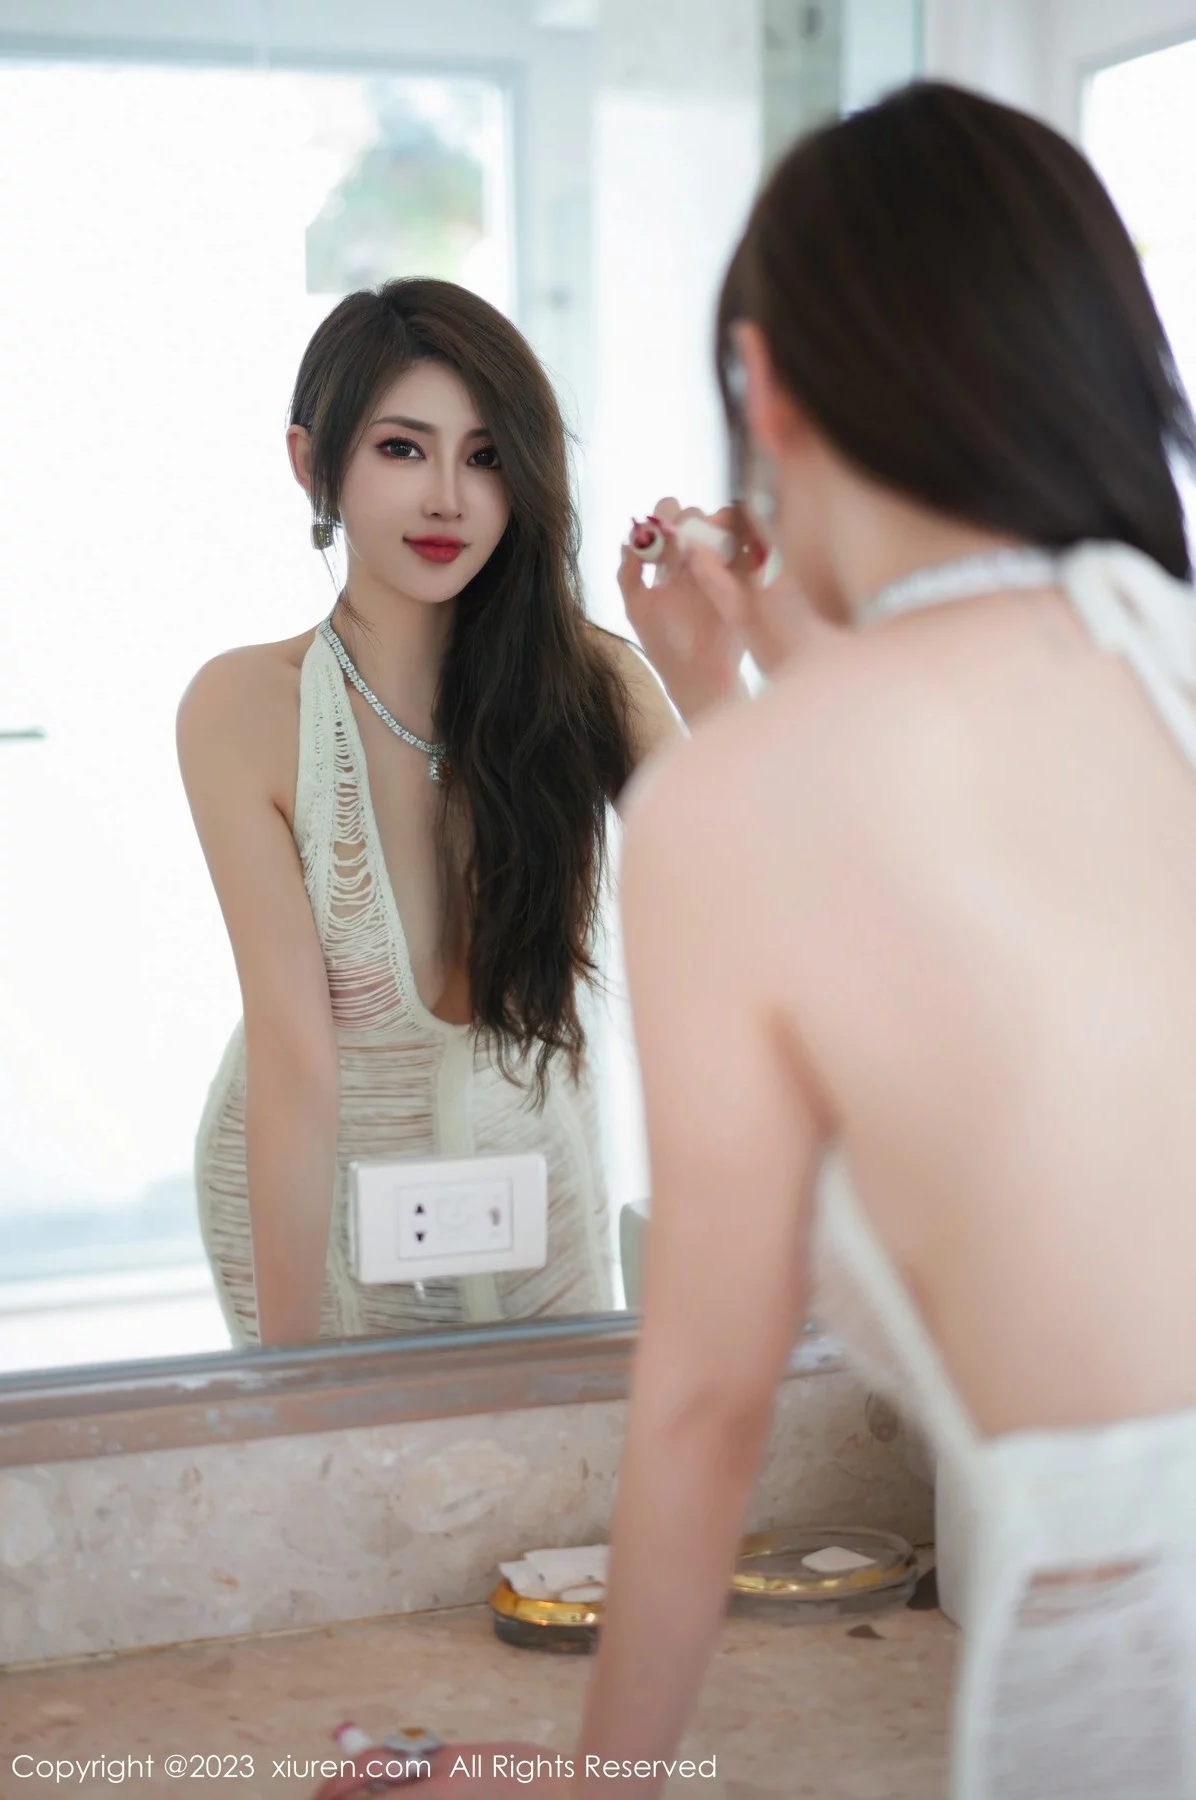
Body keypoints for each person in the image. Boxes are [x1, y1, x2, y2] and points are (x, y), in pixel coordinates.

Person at [365, 80, 1196, 1800]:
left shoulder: (739, 813)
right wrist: (738, 676)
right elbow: (999, 888)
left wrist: (597, 1787)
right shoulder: (1153, 668)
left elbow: (707, 1405)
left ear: (764, 383)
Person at [176, 277, 736, 1348]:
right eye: (402, 448)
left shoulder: (591, 683)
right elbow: (296, 1057)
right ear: (311, 462)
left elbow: (763, 908)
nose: (448, 498)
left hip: (536, 1184)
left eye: (485, 457)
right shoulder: (244, 707)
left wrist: (706, 679)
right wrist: (288, 1384)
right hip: (311, 1206)